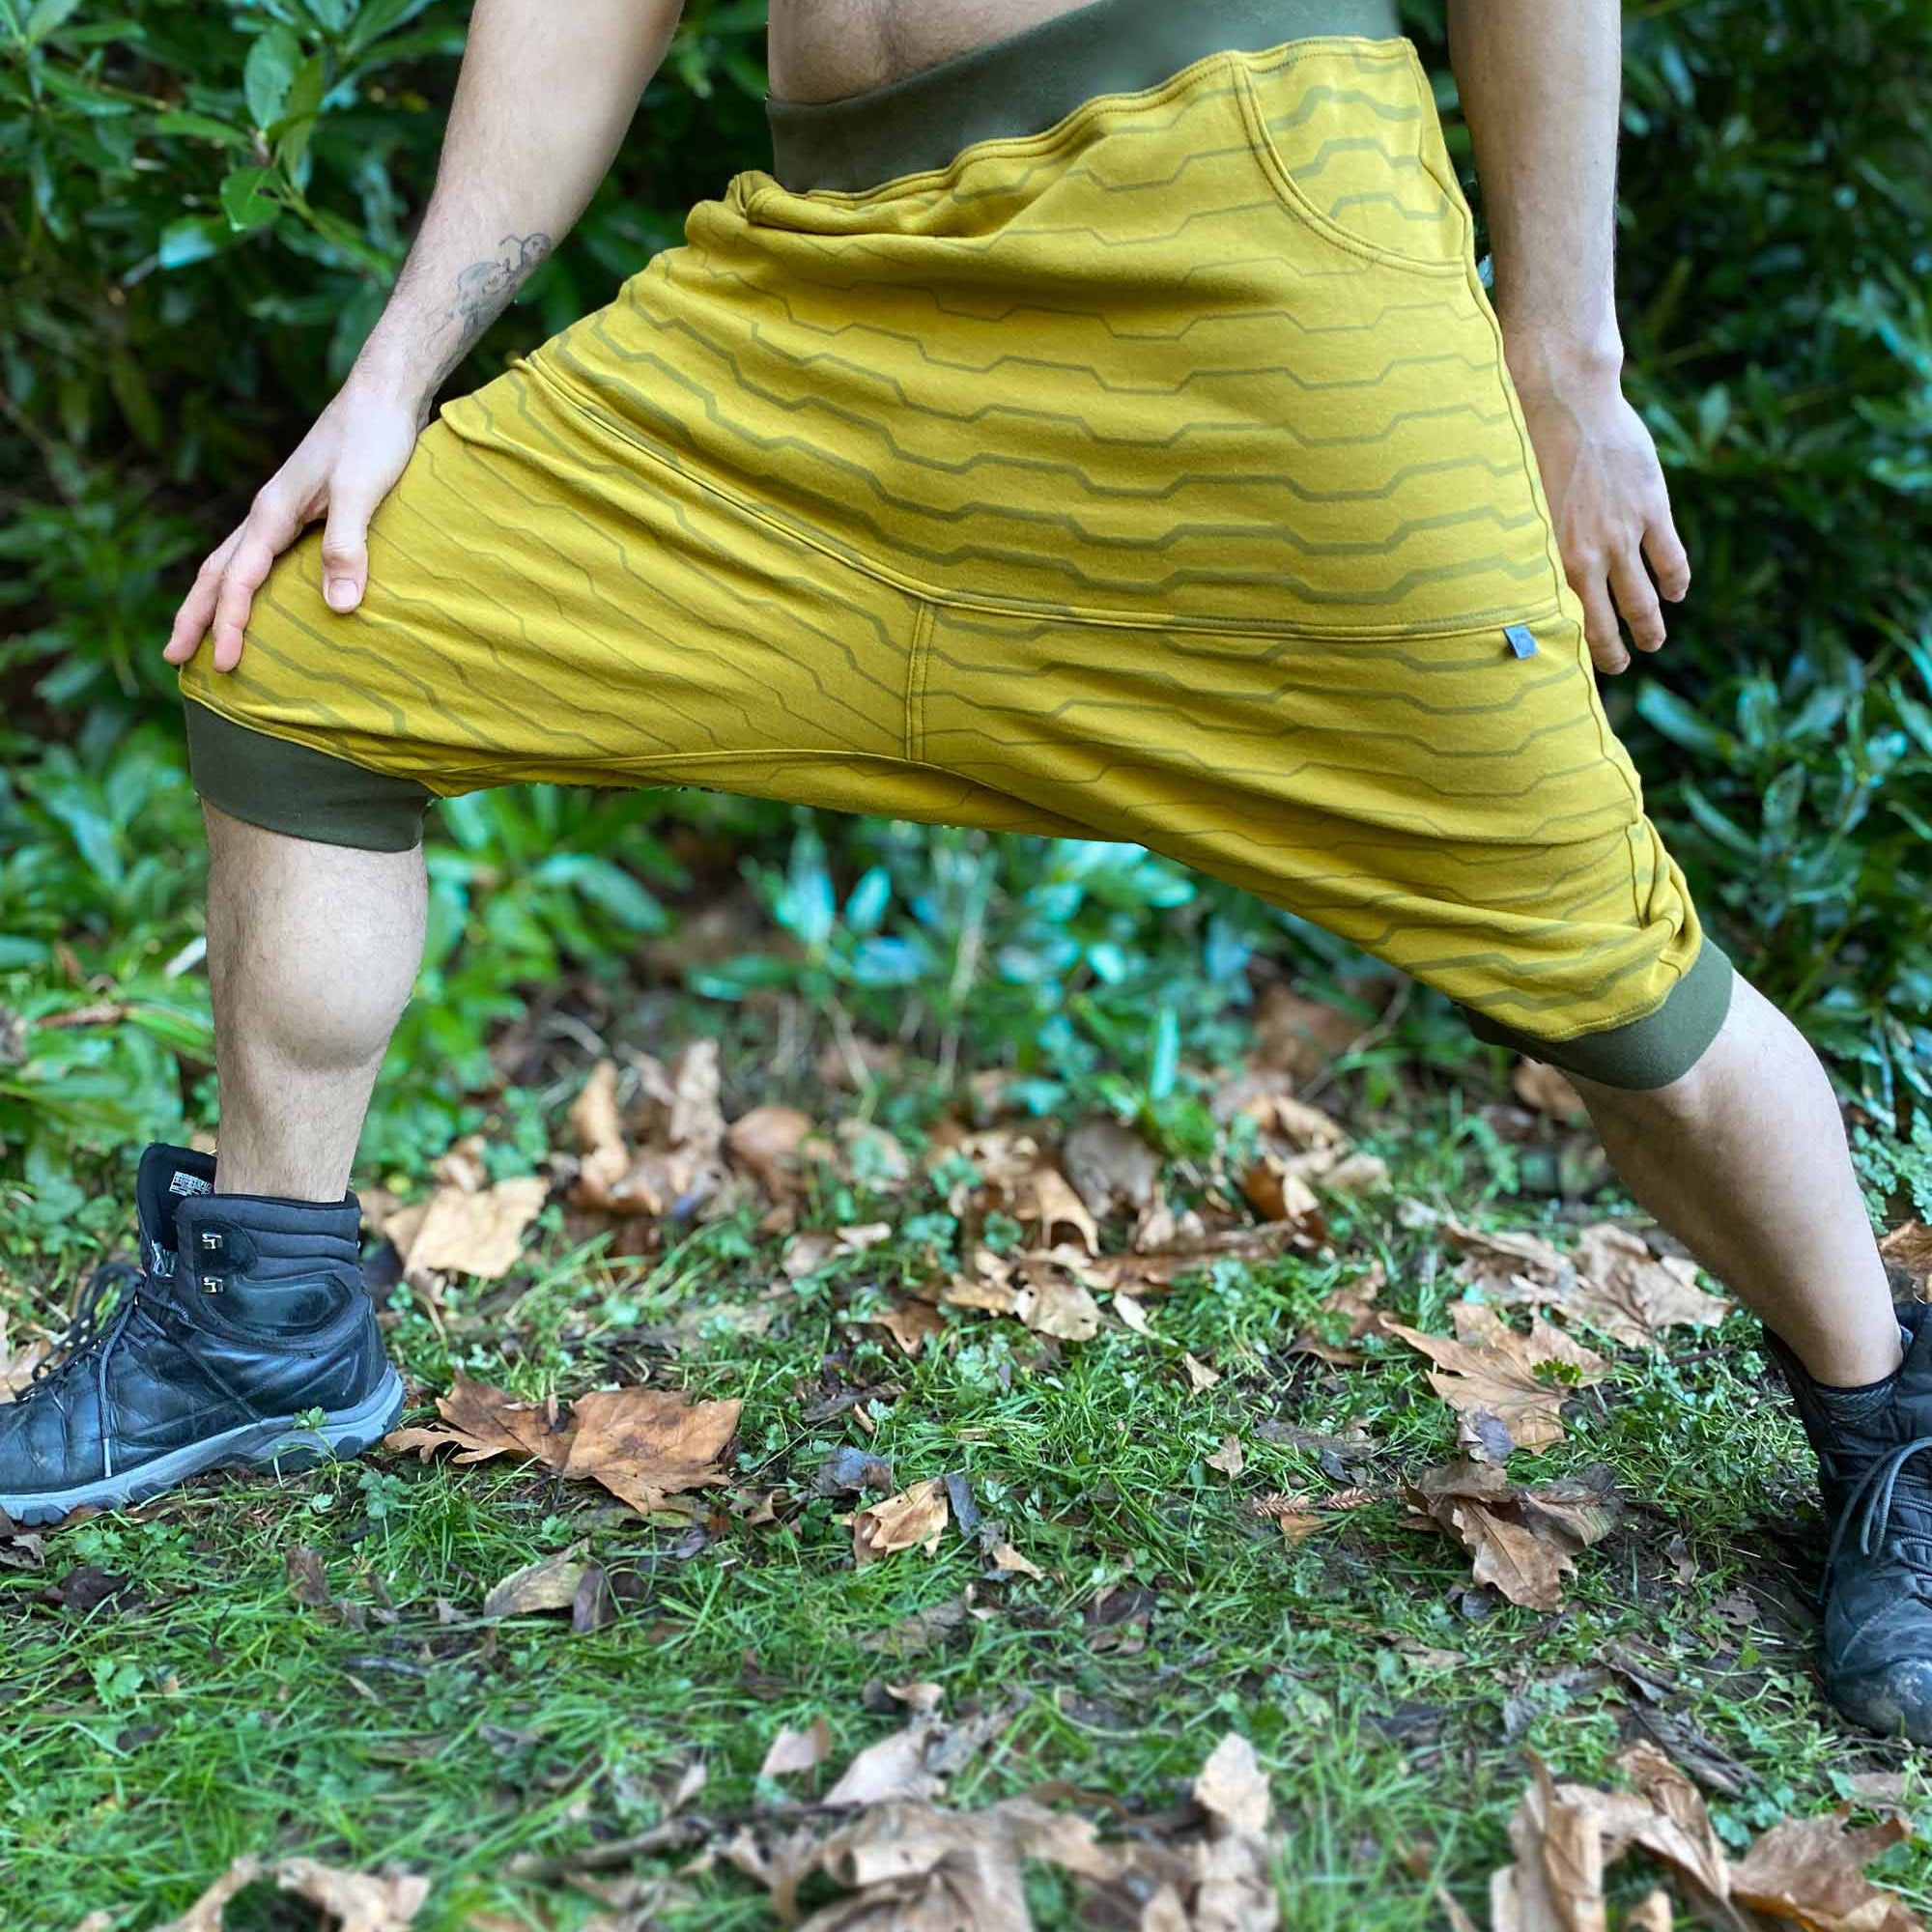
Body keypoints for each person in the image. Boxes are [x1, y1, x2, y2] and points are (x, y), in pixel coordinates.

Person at [5, 0, 1923, 1742]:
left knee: (1603, 974)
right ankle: (264, 1313)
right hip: (819, 298)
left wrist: (1562, 349)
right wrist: (393, 377)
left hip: (1240, 242)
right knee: (318, 645)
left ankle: (1883, 1408)